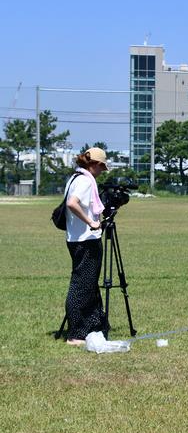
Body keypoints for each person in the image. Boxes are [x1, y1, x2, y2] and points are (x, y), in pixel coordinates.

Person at [63, 147, 110, 345]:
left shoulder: (74, 178)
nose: (101, 172)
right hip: (85, 239)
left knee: (87, 284)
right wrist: (91, 222)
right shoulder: (84, 181)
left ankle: (92, 324)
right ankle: (75, 333)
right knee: (81, 286)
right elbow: (72, 203)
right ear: (95, 165)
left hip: (76, 238)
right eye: (101, 168)